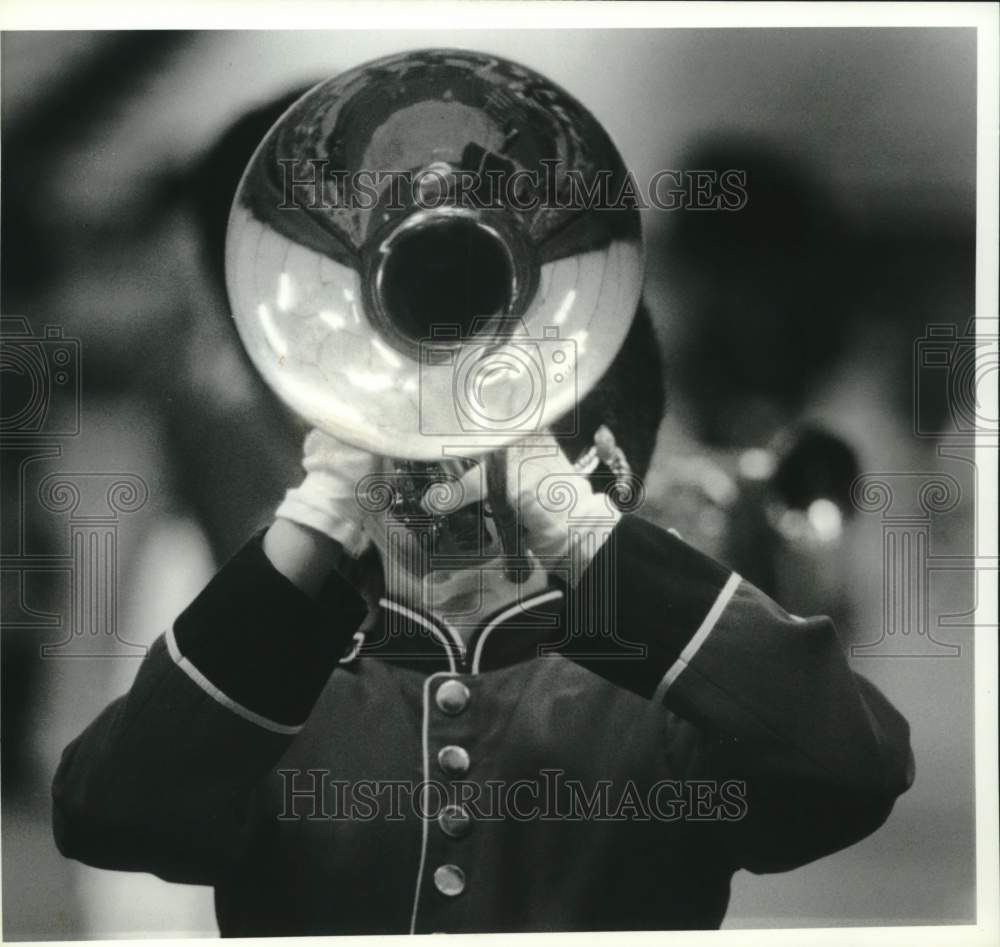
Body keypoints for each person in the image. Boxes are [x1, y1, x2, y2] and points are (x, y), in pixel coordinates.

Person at [51, 74, 913, 936]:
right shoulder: (284, 683)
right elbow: (112, 811)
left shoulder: (656, 708)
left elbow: (852, 769)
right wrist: (316, 517)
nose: (440, 455)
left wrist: (581, 531)